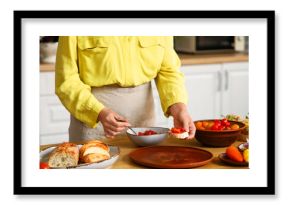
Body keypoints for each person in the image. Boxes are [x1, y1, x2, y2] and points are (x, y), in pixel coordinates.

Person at [55, 36, 196, 142]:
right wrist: (98, 112)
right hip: (94, 121)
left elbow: (168, 71)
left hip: (144, 120)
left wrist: (178, 108)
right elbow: (67, 81)